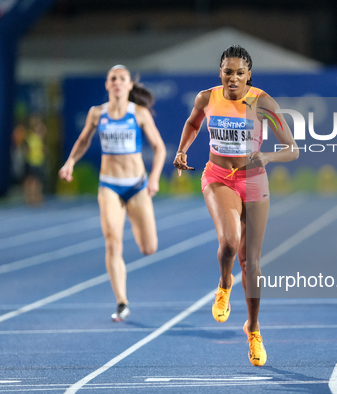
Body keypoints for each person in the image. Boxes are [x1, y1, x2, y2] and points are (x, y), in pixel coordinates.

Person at [173, 45, 298, 366]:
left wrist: (268, 156)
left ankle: (253, 330)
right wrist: (182, 150)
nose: (233, 78)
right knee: (229, 243)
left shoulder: (262, 101)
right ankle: (223, 284)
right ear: (220, 72)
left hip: (254, 179)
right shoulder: (206, 98)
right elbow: (192, 124)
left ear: (249, 75)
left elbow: (292, 149)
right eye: (228, 71)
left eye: (240, 73)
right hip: (218, 177)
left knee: (252, 263)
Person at [59, 65, 166, 321]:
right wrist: (71, 161)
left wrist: (153, 179)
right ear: (107, 85)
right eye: (112, 79)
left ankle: (123, 297)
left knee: (149, 247)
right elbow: (84, 139)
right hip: (109, 185)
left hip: (137, 185)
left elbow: (159, 148)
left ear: (129, 85)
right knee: (112, 242)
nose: (117, 82)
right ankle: (121, 302)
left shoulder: (138, 113)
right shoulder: (97, 113)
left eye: (122, 79)